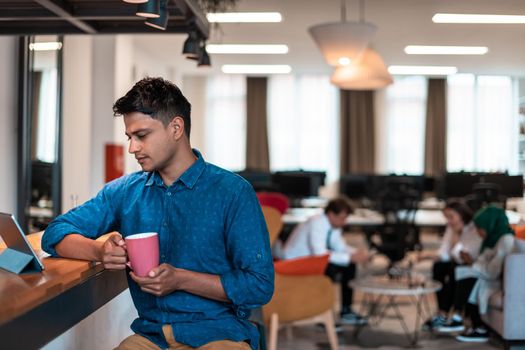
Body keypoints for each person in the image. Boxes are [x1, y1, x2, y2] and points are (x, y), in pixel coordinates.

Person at [42, 77, 274, 350]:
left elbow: (259, 286)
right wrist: (99, 251)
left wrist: (180, 279)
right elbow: (55, 233)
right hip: (151, 339)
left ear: (176, 127)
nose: (132, 148)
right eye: (130, 137)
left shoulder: (233, 192)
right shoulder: (125, 191)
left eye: (142, 136)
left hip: (220, 336)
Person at [275, 197, 369, 325]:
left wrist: (355, 253)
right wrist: (349, 257)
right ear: (331, 214)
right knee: (330, 267)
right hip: (294, 261)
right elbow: (319, 253)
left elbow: (340, 247)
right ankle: (323, 314)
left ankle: (346, 311)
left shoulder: (333, 226)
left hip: (310, 260)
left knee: (348, 265)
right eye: (342, 218)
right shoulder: (317, 222)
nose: (344, 222)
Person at [437, 205, 514, 343]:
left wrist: (473, 265)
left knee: (468, 275)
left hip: (497, 281)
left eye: (480, 228)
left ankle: (463, 319)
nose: (478, 232)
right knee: (461, 270)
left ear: (490, 224)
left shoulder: (506, 240)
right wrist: (472, 263)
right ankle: (461, 319)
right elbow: (484, 261)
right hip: (489, 277)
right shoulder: (494, 238)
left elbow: (493, 271)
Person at [420, 200, 482, 331]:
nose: (448, 221)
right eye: (446, 217)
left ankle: (447, 313)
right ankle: (442, 312)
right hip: (456, 262)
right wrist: (428, 255)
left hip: (469, 264)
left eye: (451, 216)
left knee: (455, 269)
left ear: (461, 214)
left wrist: (458, 236)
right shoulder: (451, 228)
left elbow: (465, 255)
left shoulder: (473, 228)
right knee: (438, 266)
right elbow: (445, 253)